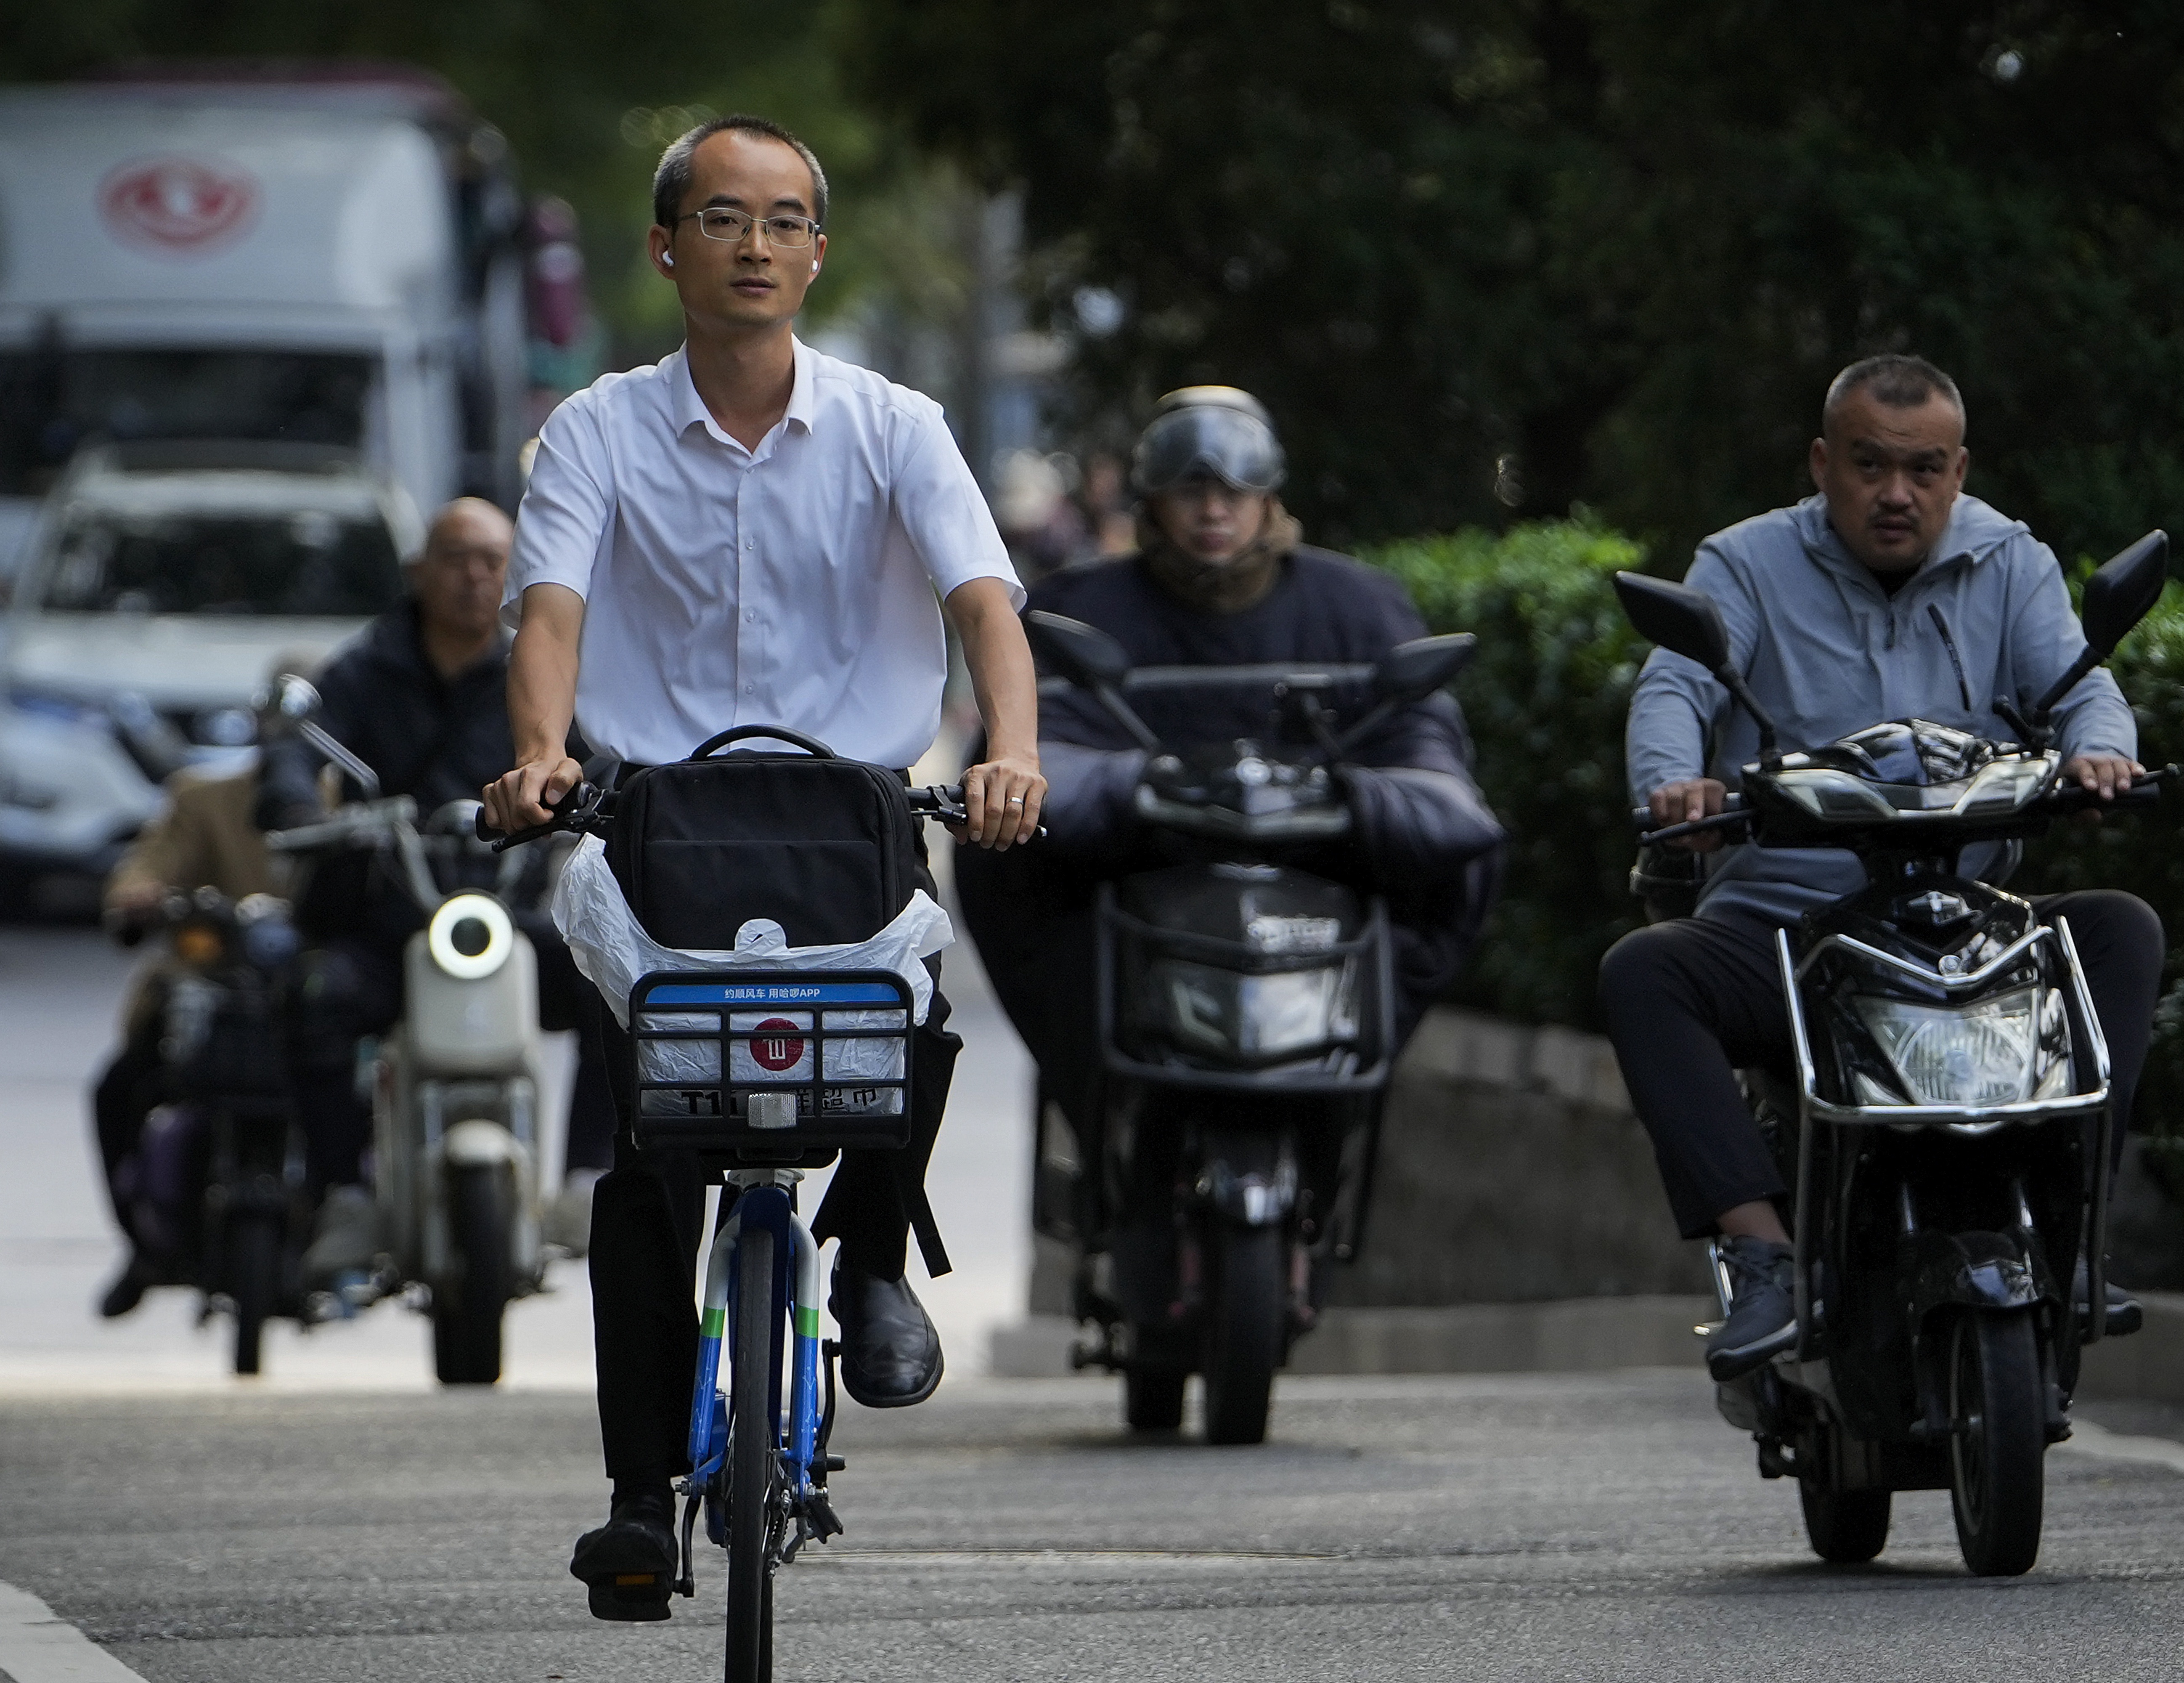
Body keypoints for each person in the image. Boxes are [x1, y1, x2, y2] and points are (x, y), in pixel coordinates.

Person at [476, 113, 1044, 1621]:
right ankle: (635, 1498)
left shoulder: (895, 425)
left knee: (913, 1014)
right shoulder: (593, 429)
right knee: (645, 1152)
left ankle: (866, 1262)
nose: (756, 246)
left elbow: (986, 604)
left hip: (856, 811)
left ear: (816, 251)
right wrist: (543, 759)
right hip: (649, 822)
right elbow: (548, 615)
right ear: (667, 247)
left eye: (785, 221)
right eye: (722, 219)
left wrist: (1009, 755)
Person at [1598, 354, 2164, 1380]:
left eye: (1924, 470)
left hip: (1965, 921)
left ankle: (2077, 1235)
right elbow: (1676, 686)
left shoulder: (2012, 560)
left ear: (1959, 472)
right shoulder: (1744, 562)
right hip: (1786, 929)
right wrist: (1676, 786)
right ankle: (1762, 1250)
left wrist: (2101, 751)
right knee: (1644, 970)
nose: (1896, 494)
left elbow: (2083, 683)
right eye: (1869, 465)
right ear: (1824, 463)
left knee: (2122, 928)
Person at [955, 387, 1503, 1220]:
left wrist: (1349, 797)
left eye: (1235, 494)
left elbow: (1429, 760)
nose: (1214, 511)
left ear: (1270, 499)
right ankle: (1103, 1121)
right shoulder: (1080, 610)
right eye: (1190, 492)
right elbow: (1022, 753)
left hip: (1317, 891)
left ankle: (1341, 1103)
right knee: (1001, 852)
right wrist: (1141, 787)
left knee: (1460, 868)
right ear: (1152, 503)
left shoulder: (1358, 607)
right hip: (1135, 888)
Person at [258, 497, 615, 1274]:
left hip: (508, 913)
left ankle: (587, 1180)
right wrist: (289, 795)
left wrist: (605, 793)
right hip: (389, 918)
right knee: (313, 995)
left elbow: (604, 748)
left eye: (492, 561)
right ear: (421, 571)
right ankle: (342, 1193)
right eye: (456, 559)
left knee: (610, 988)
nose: (475, 577)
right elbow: (298, 742)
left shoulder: (540, 672)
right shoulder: (363, 669)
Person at [90, 701, 296, 1317]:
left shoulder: (363, 802)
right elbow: (145, 868)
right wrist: (140, 894)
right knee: (118, 1090)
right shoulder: (203, 798)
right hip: (207, 993)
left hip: (314, 996)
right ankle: (142, 1242)